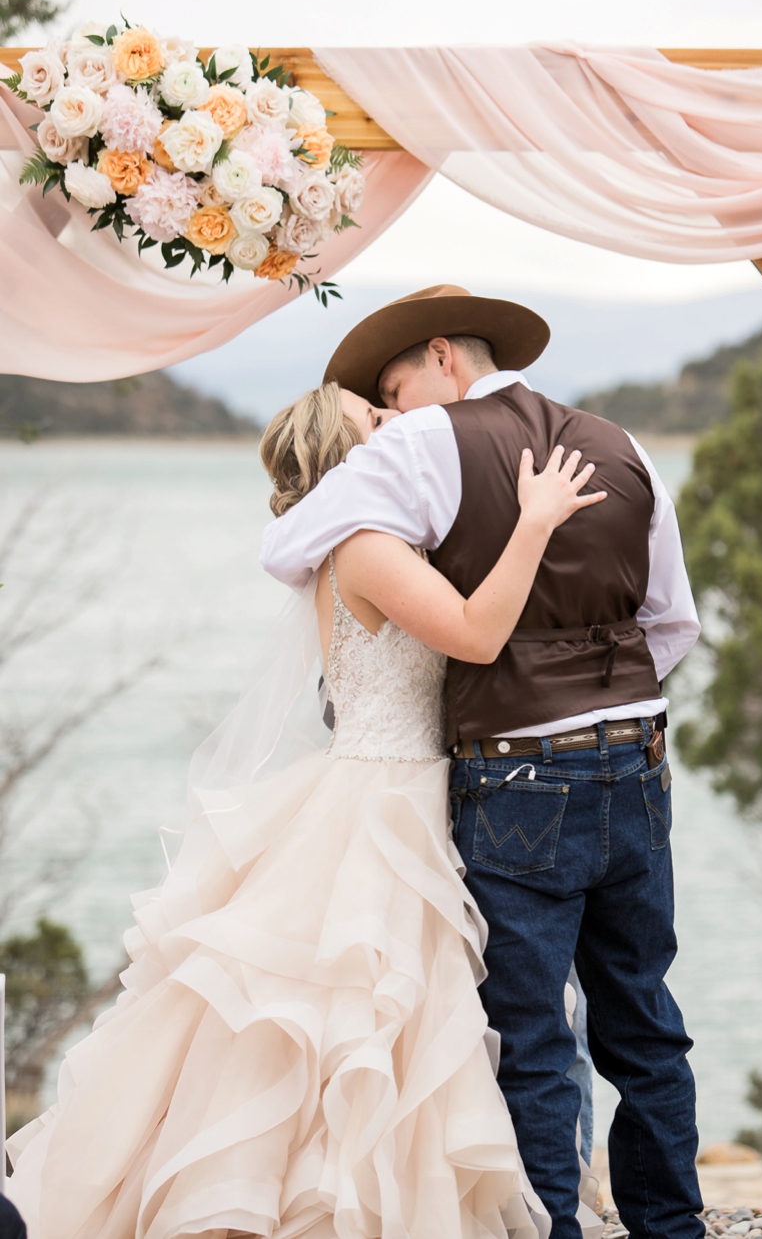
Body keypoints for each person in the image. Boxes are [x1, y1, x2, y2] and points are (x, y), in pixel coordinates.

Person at [7, 381, 604, 1239]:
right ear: (349, 450)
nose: (397, 423)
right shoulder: (362, 543)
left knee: (382, 1028)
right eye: (376, 417)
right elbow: (474, 633)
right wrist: (536, 521)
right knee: (363, 1022)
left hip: (398, 786)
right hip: (385, 799)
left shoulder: (372, 539)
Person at [260, 284, 705, 1239]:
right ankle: (674, 1228)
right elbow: (673, 621)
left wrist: (536, 699)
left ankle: (556, 1231)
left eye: (393, 387)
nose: (391, 414)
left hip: (517, 771)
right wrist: (599, 692)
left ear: (441, 359)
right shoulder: (623, 444)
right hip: (637, 755)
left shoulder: (426, 444)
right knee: (647, 1020)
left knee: (534, 1035)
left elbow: (293, 539)